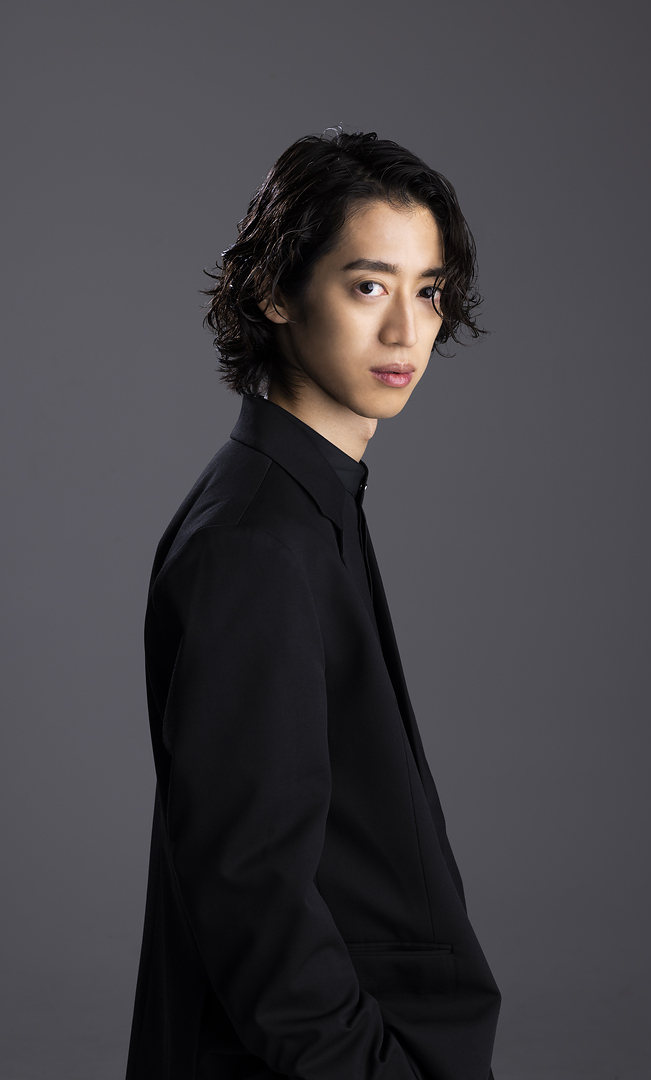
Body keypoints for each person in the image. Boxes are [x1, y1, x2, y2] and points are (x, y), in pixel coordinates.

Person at [126, 129, 501, 1080]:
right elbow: (253, 900)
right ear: (276, 292)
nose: (407, 331)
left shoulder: (305, 502)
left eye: (429, 290)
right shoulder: (254, 541)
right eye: (369, 286)